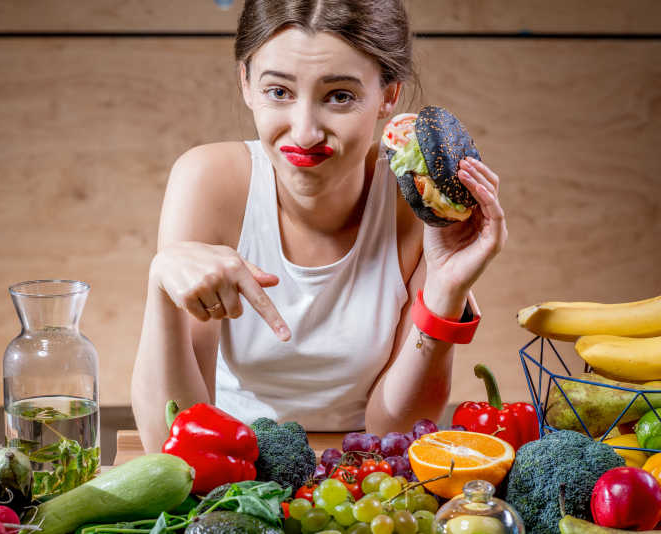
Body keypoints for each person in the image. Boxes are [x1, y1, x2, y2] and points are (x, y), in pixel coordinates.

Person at [131, 0, 507, 451]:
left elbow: (396, 432)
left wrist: (446, 294)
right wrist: (161, 285)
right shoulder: (208, 183)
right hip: (233, 463)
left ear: (389, 96)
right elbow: (169, 447)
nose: (305, 132)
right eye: (279, 92)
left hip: (358, 469)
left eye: (340, 96)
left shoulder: (415, 203)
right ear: (246, 84)